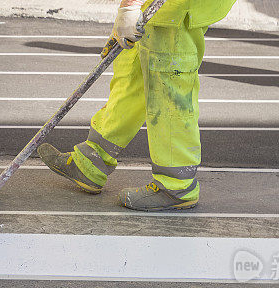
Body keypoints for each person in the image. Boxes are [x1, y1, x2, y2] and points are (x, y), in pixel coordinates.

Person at [38, 0, 236, 211]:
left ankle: (176, 187)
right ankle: (92, 160)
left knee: (167, 89)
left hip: (176, 8)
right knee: (132, 69)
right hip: (158, 7)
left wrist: (130, 6)